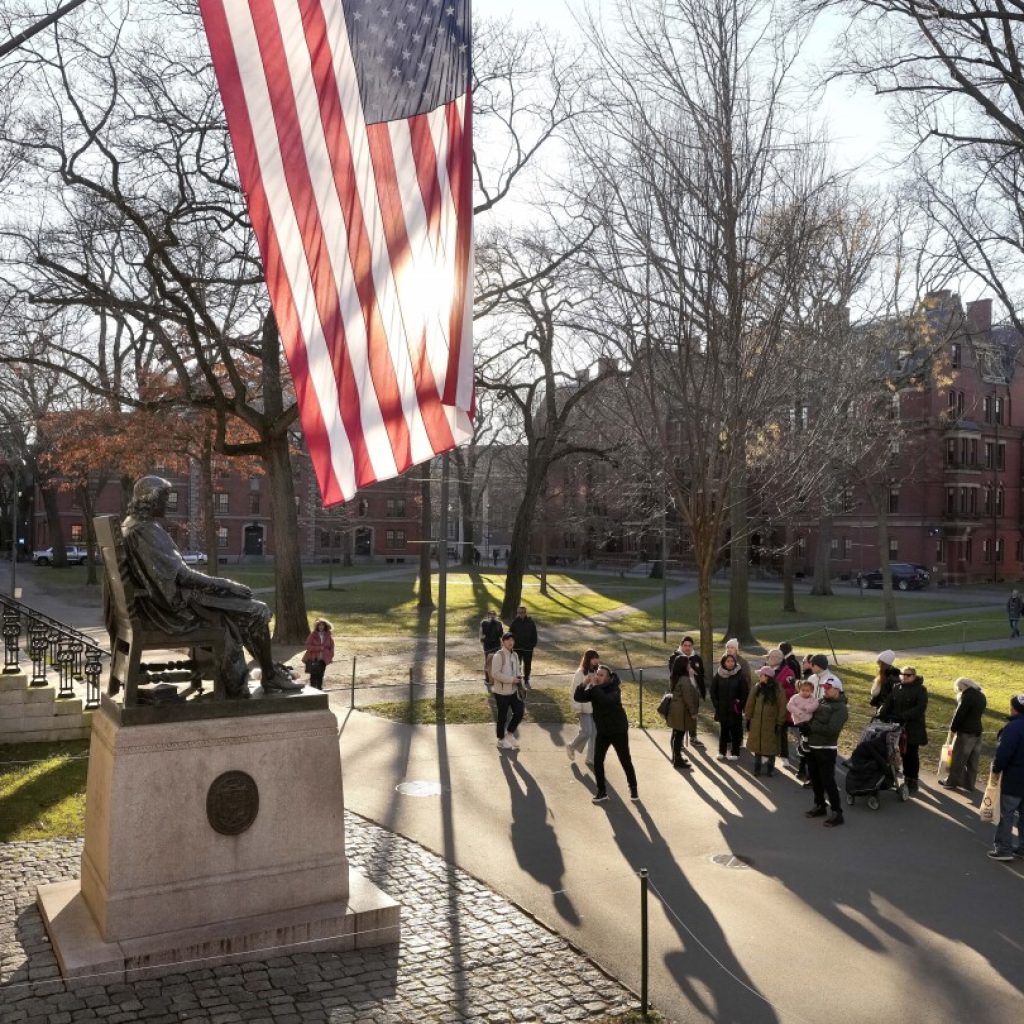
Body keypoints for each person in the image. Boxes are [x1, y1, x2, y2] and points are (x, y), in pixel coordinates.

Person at [116, 475, 302, 696]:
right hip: (172, 609)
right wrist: (227, 584)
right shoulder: (146, 530)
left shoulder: (131, 524)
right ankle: (268, 677)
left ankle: (269, 673)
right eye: (164, 498)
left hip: (157, 604)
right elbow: (183, 575)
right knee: (257, 610)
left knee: (245, 610)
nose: (167, 503)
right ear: (150, 498)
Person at [574, 664, 639, 803]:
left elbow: (605, 701)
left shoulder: (614, 689)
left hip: (618, 731)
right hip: (603, 731)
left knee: (625, 760)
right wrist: (584, 683)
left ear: (608, 678)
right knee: (597, 761)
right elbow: (578, 697)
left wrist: (594, 687)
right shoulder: (595, 689)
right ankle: (602, 792)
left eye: (601, 675)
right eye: (597, 674)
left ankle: (633, 787)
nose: (597, 677)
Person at [804, 676, 849, 828]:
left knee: (828, 781)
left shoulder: (841, 708)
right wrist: (806, 725)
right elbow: (812, 718)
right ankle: (820, 806)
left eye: (828, 688)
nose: (825, 690)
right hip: (813, 746)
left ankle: (837, 813)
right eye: (824, 687)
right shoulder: (822, 701)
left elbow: (832, 730)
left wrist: (811, 728)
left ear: (837, 689)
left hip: (826, 749)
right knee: (815, 780)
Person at [879, 665, 929, 793]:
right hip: (896, 726)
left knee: (911, 755)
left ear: (914, 676)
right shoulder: (897, 687)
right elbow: (888, 702)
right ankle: (890, 776)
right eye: (903, 674)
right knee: (895, 752)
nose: (905, 677)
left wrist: (903, 716)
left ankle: (912, 780)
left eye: (908, 675)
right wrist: (882, 713)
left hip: (912, 728)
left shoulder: (920, 689)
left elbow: (920, 708)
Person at [987, 693, 1024, 861]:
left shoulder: (1013, 728)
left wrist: (996, 769)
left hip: (1015, 777)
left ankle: (1003, 848)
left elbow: (1004, 753)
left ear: (1015, 709)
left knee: (1007, 813)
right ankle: (1022, 848)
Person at [940, 677, 987, 791]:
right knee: (973, 761)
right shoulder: (981, 696)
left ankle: (951, 782)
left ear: (963, 686)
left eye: (959, 689)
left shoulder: (966, 696)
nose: (959, 691)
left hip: (965, 732)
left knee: (958, 759)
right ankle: (969, 784)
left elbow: (959, 714)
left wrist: (953, 728)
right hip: (978, 731)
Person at [745, 665, 787, 776]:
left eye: (761, 675)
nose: (759, 677)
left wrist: (779, 722)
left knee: (771, 746)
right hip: (757, 722)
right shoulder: (757, 687)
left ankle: (770, 768)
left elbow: (782, 706)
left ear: (767, 676)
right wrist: (748, 718)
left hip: (771, 722)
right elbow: (750, 703)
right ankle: (757, 768)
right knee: (757, 745)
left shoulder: (778, 689)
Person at [668, 635, 706, 747]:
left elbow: (701, 673)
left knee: (693, 714)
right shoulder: (674, 657)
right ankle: (677, 742)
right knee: (679, 717)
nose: (687, 648)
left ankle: (693, 737)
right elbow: (674, 673)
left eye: (689, 646)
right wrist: (687, 670)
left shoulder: (697, 658)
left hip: (694, 691)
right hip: (680, 692)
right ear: (681, 645)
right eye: (685, 645)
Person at [711, 653, 748, 762]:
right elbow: (713, 691)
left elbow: (744, 692)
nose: (730, 663)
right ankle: (721, 752)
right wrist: (717, 704)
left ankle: (735, 752)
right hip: (722, 709)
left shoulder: (740, 675)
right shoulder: (718, 675)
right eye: (728, 661)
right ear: (723, 662)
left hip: (735, 709)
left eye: (732, 661)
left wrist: (739, 704)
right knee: (723, 731)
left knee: (736, 731)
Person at [490, 633, 524, 750]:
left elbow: (517, 670)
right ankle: (501, 740)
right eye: (508, 640)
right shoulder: (498, 655)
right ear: (503, 641)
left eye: (512, 640)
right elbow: (495, 674)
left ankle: (509, 734)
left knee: (519, 712)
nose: (511, 642)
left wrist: (519, 677)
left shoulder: (514, 654)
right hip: (501, 692)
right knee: (502, 717)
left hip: (514, 691)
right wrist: (511, 680)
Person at [568, 649, 599, 766]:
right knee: (587, 732)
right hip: (583, 708)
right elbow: (574, 691)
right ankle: (571, 746)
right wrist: (577, 708)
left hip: (595, 708)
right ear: (588, 659)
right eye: (593, 657)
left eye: (597, 657)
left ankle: (590, 758)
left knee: (595, 734)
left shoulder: (598, 672)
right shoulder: (580, 673)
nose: (596, 660)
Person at [666, 656, 698, 770]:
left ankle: (676, 757)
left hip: (676, 710)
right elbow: (688, 697)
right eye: (688, 664)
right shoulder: (684, 680)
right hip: (681, 712)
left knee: (676, 735)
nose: (690, 665)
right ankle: (678, 760)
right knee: (679, 736)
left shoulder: (675, 677)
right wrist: (693, 712)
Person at [767, 648, 797, 763]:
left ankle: (784, 756)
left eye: (770, 657)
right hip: (767, 707)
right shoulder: (765, 669)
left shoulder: (788, 672)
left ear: (778, 659)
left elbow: (792, 689)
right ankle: (768, 755)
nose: (768, 659)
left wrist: (779, 692)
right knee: (768, 732)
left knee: (781, 732)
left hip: (781, 707)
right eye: (768, 657)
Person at [786, 679, 819, 778]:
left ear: (812, 691)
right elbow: (789, 706)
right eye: (803, 690)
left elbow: (816, 705)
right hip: (799, 723)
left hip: (809, 723)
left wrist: (808, 708)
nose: (805, 692)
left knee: (806, 748)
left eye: (808, 691)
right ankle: (801, 770)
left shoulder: (813, 699)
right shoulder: (795, 697)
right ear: (799, 689)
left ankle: (805, 771)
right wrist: (798, 712)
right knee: (802, 747)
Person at [508, 605, 538, 689]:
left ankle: (526, 680)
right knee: (517, 665)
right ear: (517, 613)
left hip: (528, 648)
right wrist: (512, 643)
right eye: (519, 612)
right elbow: (510, 633)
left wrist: (533, 644)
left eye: (523, 612)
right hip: (517, 647)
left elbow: (534, 634)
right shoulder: (515, 622)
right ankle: (517, 680)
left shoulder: (531, 622)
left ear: (525, 613)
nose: (521, 614)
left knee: (527, 664)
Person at [301, 618, 335, 690]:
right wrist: (319, 648)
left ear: (325, 626)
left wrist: (330, 656)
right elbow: (307, 646)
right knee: (313, 675)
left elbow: (331, 647)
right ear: (317, 626)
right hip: (314, 658)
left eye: (322, 625)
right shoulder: (313, 635)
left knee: (320, 675)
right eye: (319, 625)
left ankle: (319, 689)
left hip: (323, 659)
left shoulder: (328, 636)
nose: (321, 627)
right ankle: (313, 690)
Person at [479, 610, 503, 685]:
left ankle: (496, 678)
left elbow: (501, 634)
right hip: (488, 645)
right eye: (490, 614)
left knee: (497, 662)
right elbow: (484, 633)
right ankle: (488, 679)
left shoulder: (499, 623)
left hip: (496, 645)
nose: (492, 616)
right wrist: (491, 623)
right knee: (488, 662)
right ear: (488, 615)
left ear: (495, 615)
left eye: (494, 614)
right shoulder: (484, 623)